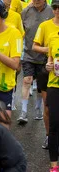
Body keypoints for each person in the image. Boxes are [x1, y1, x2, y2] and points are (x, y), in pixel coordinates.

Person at [18, 0, 54, 149]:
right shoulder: (26, 11)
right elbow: (21, 31)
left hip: (46, 57)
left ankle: (39, 110)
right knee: (26, 80)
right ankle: (24, 112)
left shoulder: (51, 12)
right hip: (29, 54)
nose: (35, 1)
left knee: (42, 89)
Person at [46, 32, 59, 172]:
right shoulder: (54, 38)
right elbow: (50, 60)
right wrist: (48, 65)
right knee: (54, 124)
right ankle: (54, 165)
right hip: (54, 86)